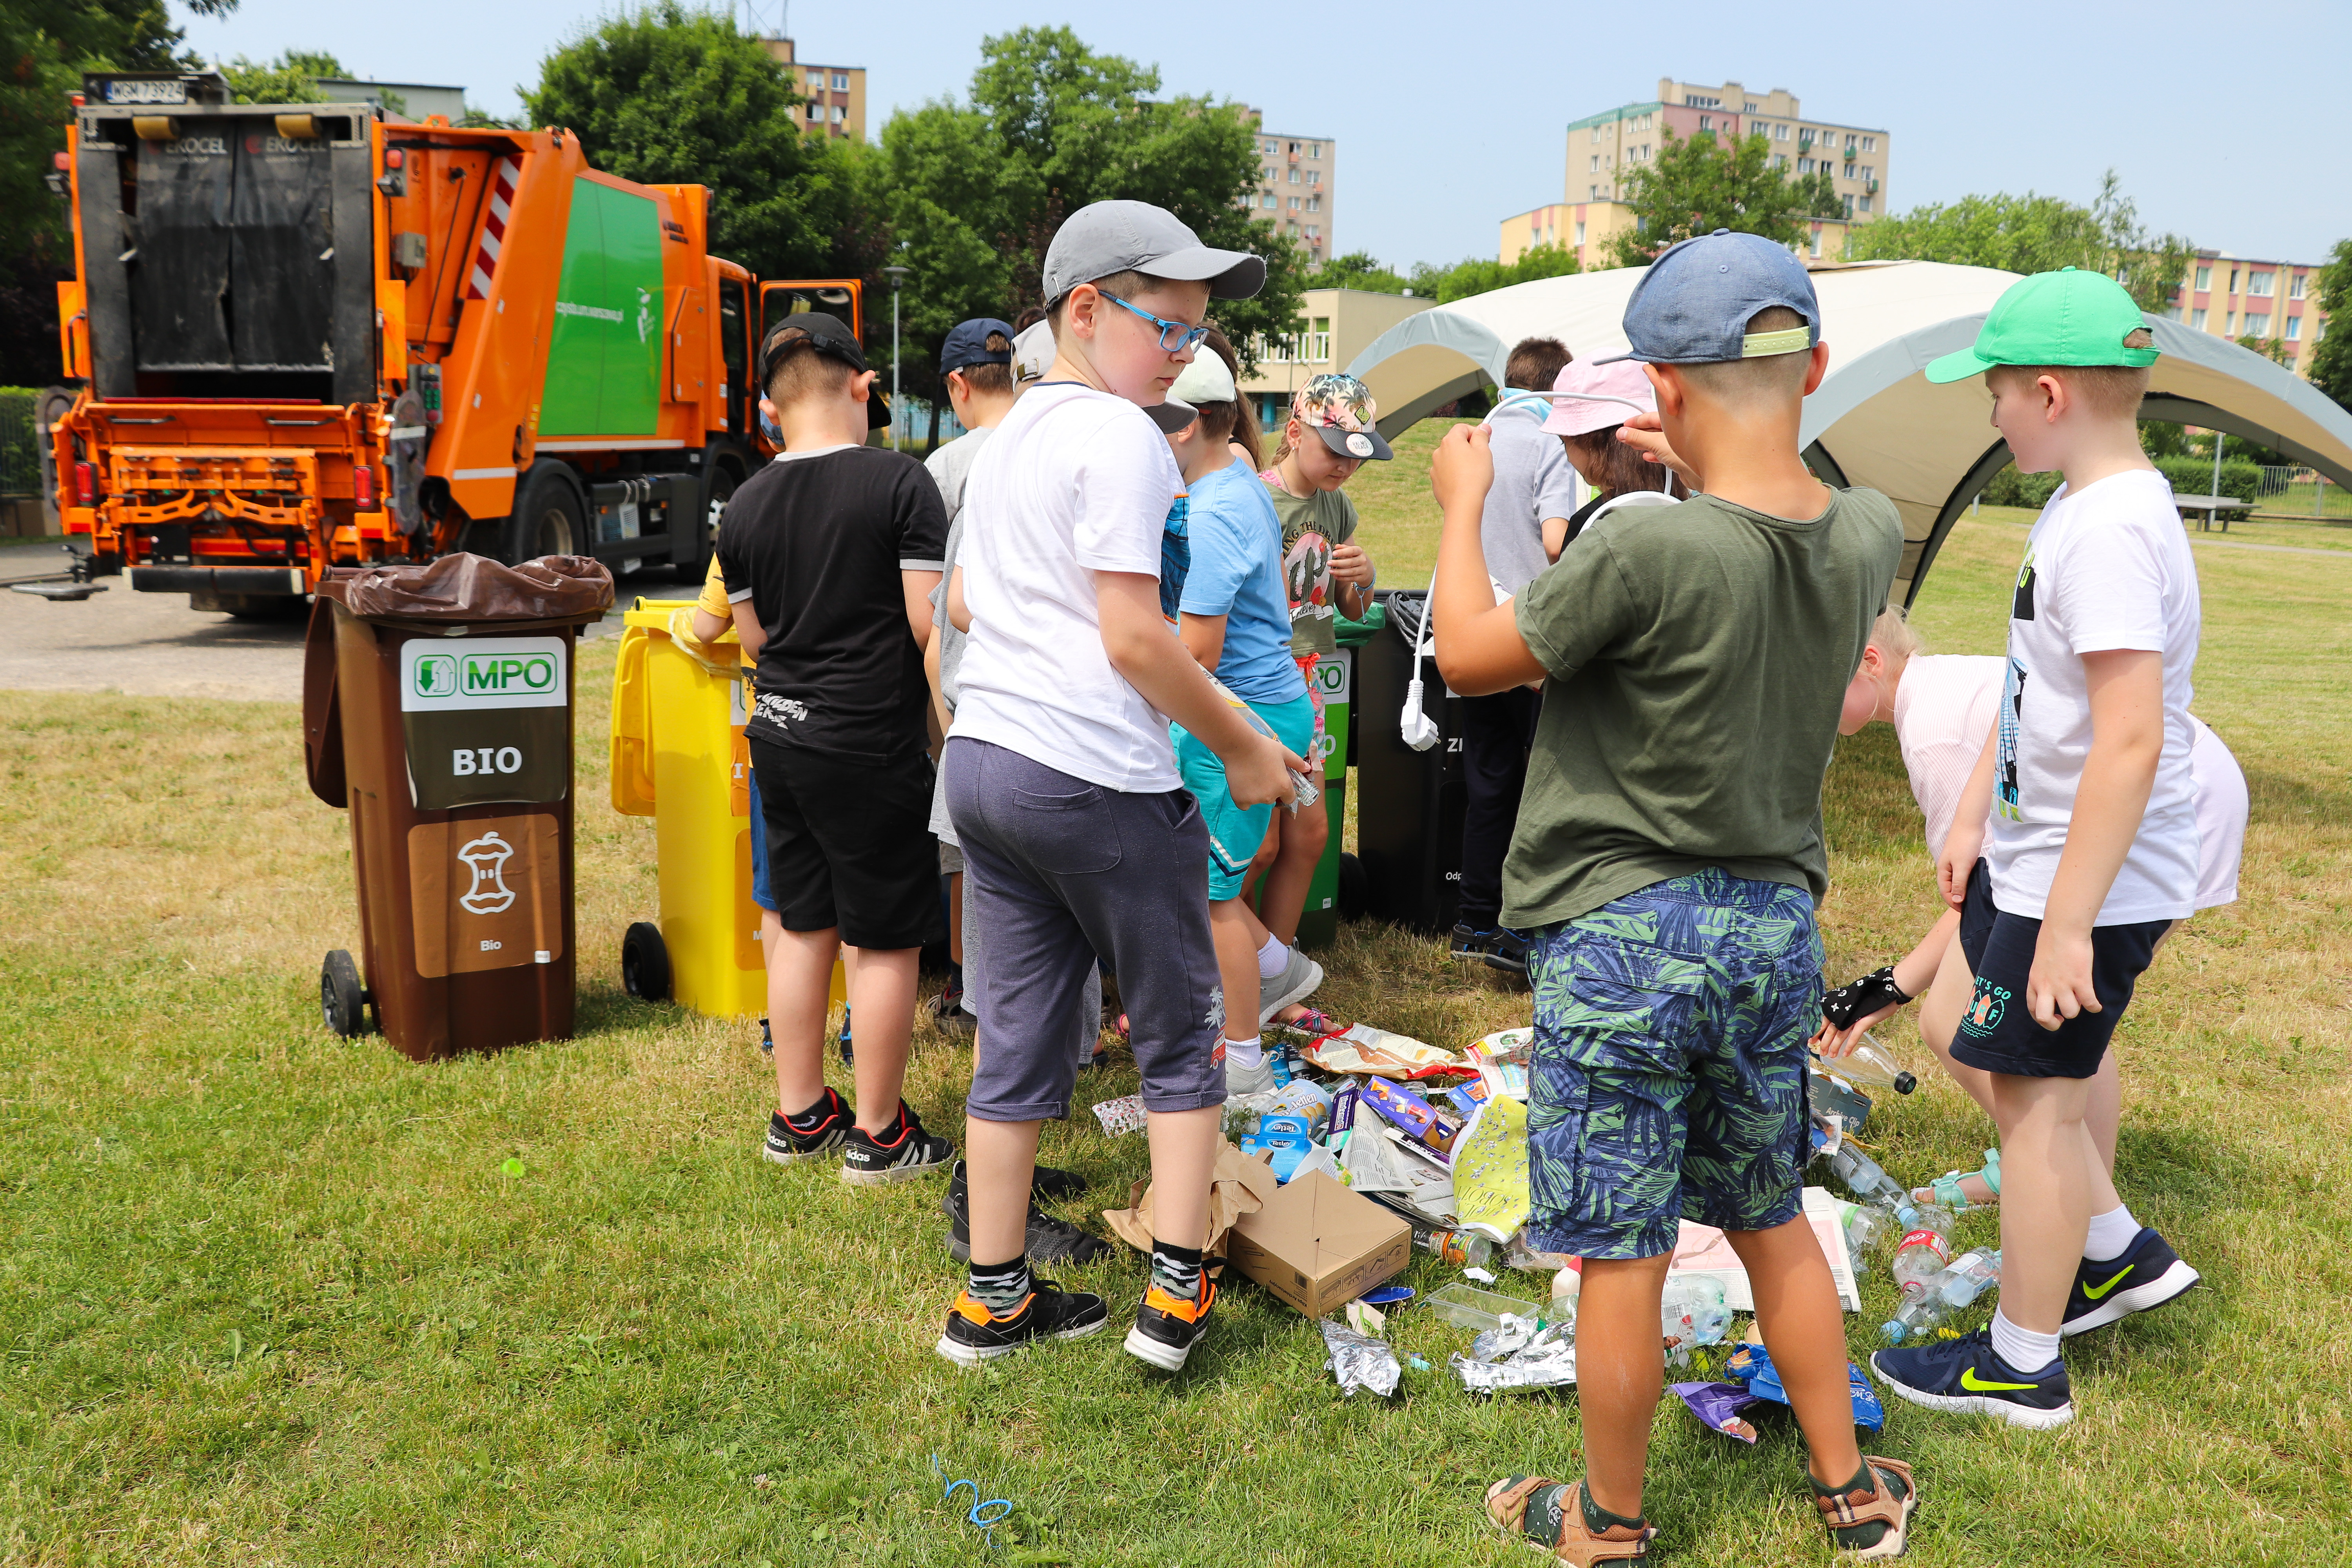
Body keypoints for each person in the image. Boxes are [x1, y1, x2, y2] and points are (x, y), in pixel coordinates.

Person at [1431, 231, 1917, 1559]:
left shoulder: (1645, 549)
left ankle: (1609, 1523)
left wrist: (1458, 498)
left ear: (1659, 391)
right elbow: (1814, 515)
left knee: (1627, 1250)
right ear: (1815, 364)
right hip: (1772, 932)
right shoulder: (1867, 533)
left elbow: (1474, 658)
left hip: (1621, 938)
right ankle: (1851, 1488)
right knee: (1771, 1213)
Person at [933, 200, 1302, 1372]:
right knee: (1184, 1036)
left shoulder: (1009, 439)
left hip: (986, 768)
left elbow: (967, 608)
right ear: (1083, 311)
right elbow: (1138, 641)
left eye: (1195, 330)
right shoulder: (1123, 438)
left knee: (1016, 1039)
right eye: (1168, 323)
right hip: (1093, 776)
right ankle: (1175, 1296)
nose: (1186, 350)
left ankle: (992, 1302)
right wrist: (1244, 745)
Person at [1868, 269, 2206, 1432]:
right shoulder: (2087, 505)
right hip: (2041, 854)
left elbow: (2126, 736)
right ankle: (2113, 1254)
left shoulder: (2107, 530)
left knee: (2030, 1103)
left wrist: (2066, 919)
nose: (1991, 414)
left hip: (2082, 876)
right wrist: (1972, 813)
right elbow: (2034, 696)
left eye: (1996, 394)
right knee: (2039, 1088)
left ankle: (2021, 1363)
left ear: (2049, 392)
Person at [1816, 609, 2247, 1212]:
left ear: (1870, 661)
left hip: (2164, 804)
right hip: (2183, 786)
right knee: (2050, 1011)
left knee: (1975, 1018)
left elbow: (1982, 893)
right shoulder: (1938, 686)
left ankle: (2078, 1199)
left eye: (1815, 684)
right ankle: (2060, 1182)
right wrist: (1891, 986)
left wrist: (1890, 986)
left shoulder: (1931, 731)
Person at [706, 313, 953, 1185]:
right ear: (860, 385)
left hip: (779, 735)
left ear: (773, 410)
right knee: (883, 943)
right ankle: (881, 1134)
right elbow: (930, 623)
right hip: (869, 741)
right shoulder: (901, 484)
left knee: (803, 925)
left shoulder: (743, 503)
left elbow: (753, 638)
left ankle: (800, 1110)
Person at [1162, 340, 1316, 1099]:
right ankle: (1280, 970)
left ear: (1187, 426)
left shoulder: (1219, 510)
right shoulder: (1237, 483)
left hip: (1240, 718)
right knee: (1211, 882)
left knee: (1209, 896)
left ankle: (1245, 1060)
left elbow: (1195, 651)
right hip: (1261, 706)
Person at [1248, 373, 1390, 1009]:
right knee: (1255, 847)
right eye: (1334, 450)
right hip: (1253, 689)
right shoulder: (1254, 501)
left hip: (1305, 689)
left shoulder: (1338, 508)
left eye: (1357, 455)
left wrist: (1362, 578)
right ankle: (1219, 975)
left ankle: (1268, 979)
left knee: (1307, 838)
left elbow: (1346, 604)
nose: (1345, 467)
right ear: (1295, 431)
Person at [1449, 337, 1580, 978]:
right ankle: (1523, 928)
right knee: (1545, 785)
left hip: (1472, 628)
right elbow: (1558, 544)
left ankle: (1472, 920)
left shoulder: (1473, 441)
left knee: (1488, 780)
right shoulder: (1550, 445)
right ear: (1558, 392)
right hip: (1530, 640)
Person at [922, 318, 1020, 1035]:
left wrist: (941, 710)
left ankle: (966, 985)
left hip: (969, 687)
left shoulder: (948, 467)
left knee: (964, 845)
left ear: (958, 385)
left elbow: (936, 609)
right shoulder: (1049, 444)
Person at [1541, 357, 1671, 544]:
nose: (1569, 458)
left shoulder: (1589, 527)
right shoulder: (1687, 501)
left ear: (1589, 443)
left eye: (1565, 442)